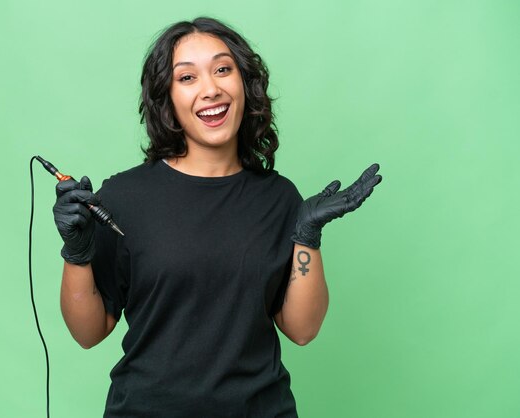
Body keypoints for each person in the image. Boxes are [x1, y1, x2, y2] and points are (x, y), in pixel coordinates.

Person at [52, 17, 382, 418]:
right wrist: (76, 252)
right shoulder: (123, 197)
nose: (210, 89)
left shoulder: (279, 198)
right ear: (167, 98)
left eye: (223, 69)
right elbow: (88, 333)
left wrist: (307, 236)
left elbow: (302, 329)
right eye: (187, 78)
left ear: (245, 85)